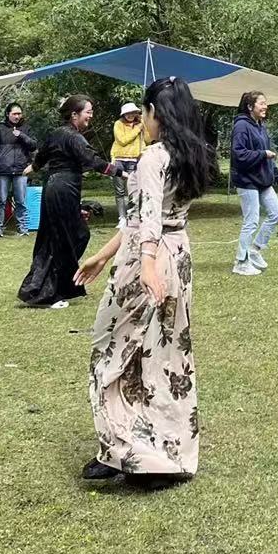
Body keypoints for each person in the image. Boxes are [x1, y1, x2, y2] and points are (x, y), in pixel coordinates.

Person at [76, 76, 214, 484]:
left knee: (113, 347)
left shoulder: (154, 157)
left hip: (147, 260)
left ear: (155, 112)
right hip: (178, 254)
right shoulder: (193, 154)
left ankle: (129, 449)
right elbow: (143, 218)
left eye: (147, 112)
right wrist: (103, 255)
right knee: (165, 354)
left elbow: (148, 220)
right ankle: (154, 452)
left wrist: (147, 263)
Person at [20, 95, 117, 309]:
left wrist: (33, 168)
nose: (91, 116)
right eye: (88, 112)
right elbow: (92, 160)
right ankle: (47, 293)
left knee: (75, 235)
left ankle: (57, 286)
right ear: (74, 114)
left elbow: (41, 156)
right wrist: (120, 172)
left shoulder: (57, 133)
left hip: (58, 188)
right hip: (62, 188)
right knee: (62, 239)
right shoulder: (74, 137)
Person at [230, 91, 278, 277]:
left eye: (265, 103)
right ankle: (241, 262)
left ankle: (255, 250)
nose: (265, 106)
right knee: (251, 221)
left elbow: (265, 152)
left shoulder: (260, 125)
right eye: (261, 103)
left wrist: (275, 173)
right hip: (247, 181)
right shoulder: (241, 126)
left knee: (277, 213)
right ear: (250, 106)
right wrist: (263, 155)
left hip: (262, 180)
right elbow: (238, 154)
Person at [0, 103, 38, 236]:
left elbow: (34, 146)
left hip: (21, 170)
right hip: (3, 170)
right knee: (1, 200)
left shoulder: (26, 128)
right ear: (7, 114)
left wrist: (21, 135)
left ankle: (22, 228)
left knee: (21, 201)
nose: (17, 116)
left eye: (19, 114)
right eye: (14, 114)